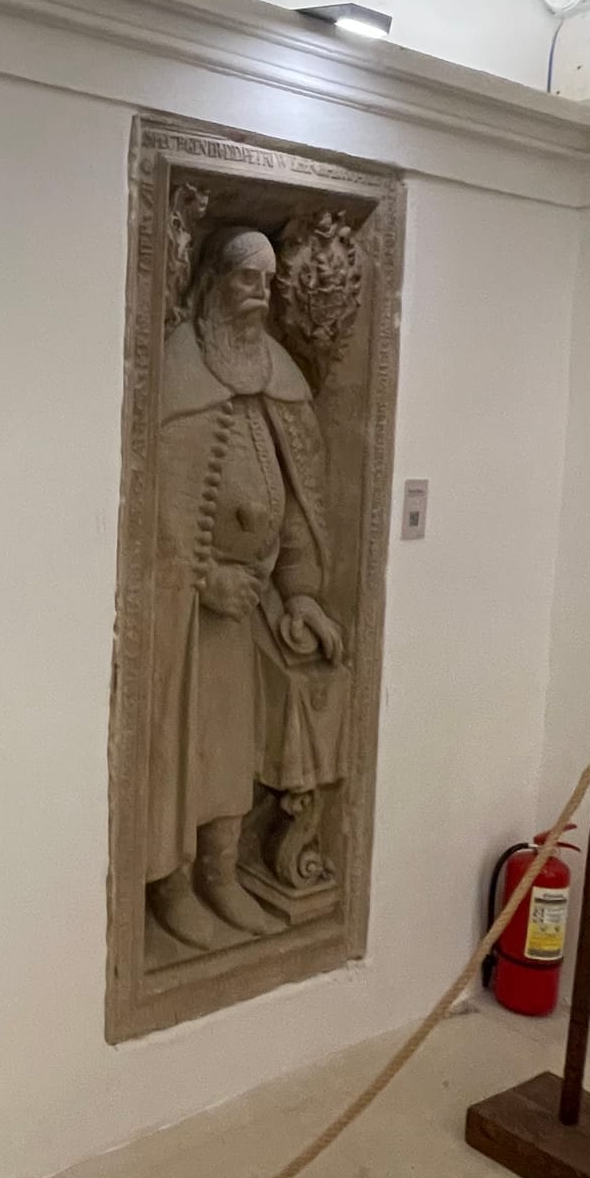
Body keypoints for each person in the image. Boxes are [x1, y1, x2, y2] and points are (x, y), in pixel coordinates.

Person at [146, 228, 348, 952]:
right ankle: (173, 887)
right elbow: (155, 510)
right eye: (245, 279)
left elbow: (296, 504)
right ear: (213, 283)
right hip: (188, 618)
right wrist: (202, 578)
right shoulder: (178, 374)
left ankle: (224, 874)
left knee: (232, 753)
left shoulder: (275, 380)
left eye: (267, 281)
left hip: (253, 611)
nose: (259, 293)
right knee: (185, 749)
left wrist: (301, 592)